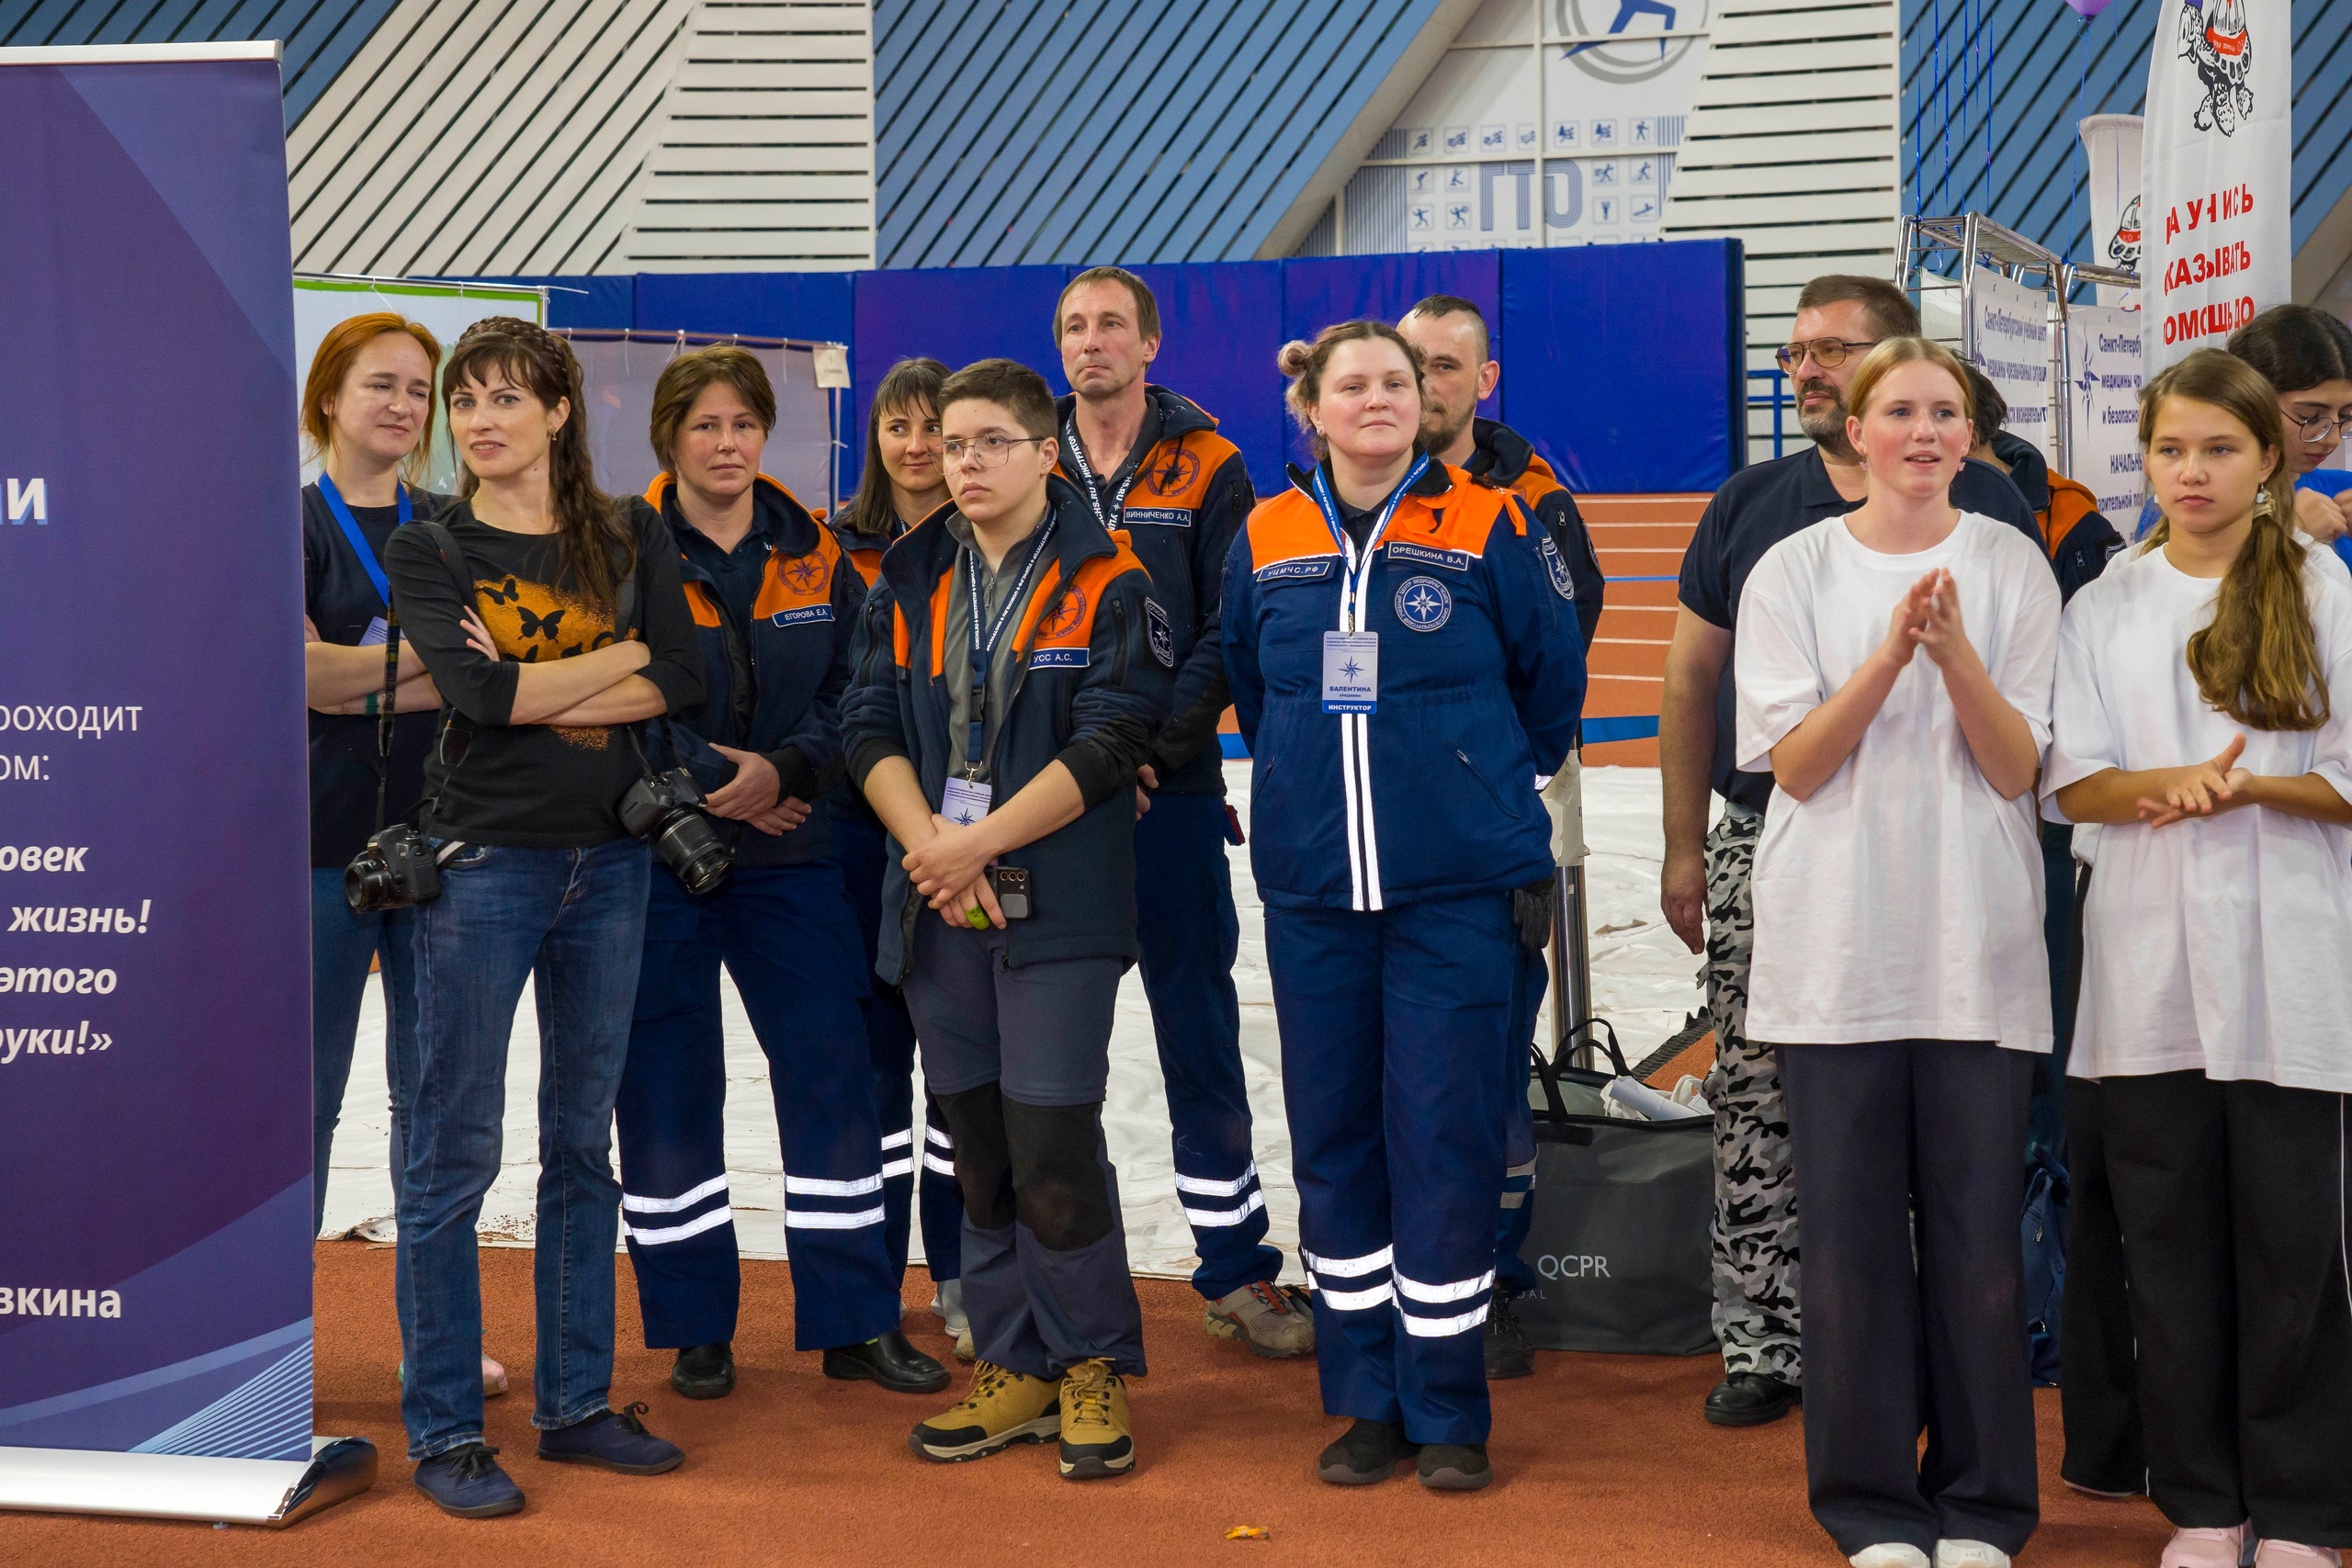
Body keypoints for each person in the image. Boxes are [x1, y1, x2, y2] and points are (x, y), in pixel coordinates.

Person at [1658, 274, 2048, 1428]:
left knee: (1944, 1155)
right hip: (1781, 845)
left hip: (1953, 879)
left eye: (1836, 349)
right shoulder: (1758, 516)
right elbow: (1691, 680)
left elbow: (2022, 754)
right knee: (1765, 1109)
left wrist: (1946, 657)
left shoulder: (2001, 531)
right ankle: (1768, 1341)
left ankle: (1942, 1365)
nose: (1810, 370)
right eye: (1798, 355)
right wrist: (1684, 845)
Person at [1224, 321, 1584, 1492]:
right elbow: (1247, 680)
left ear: (1428, 399)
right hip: (1315, 892)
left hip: (1456, 893)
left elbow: (1550, 681)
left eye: (1398, 380)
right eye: (1352, 386)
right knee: (1334, 1145)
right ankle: (1367, 1397)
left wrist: (1465, 782)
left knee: (1446, 1138)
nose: (1378, 399)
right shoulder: (1266, 534)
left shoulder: (1488, 519)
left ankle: (1448, 1404)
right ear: (1311, 410)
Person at [1736, 335, 2058, 1568]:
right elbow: (1801, 767)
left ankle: (1983, 1502)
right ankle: (1870, 1502)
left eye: (1947, 411)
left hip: (1973, 950)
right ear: (1857, 432)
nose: (1925, 431)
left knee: (1980, 1242)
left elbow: (2019, 767)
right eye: (1901, 410)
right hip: (1834, 955)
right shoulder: (1792, 568)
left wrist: (1955, 651)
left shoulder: (2011, 562)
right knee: (1852, 1249)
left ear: (1969, 435)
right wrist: (1886, 652)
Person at [384, 317, 704, 1517]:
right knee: (452, 1151)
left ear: (560, 411)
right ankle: (449, 1428)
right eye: (464, 400)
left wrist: (551, 682)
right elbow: (478, 694)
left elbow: (687, 677)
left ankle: (574, 1404)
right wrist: (609, 659)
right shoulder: (435, 547)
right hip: (482, 866)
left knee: (580, 1141)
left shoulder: (629, 531)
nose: (479, 419)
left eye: (507, 398)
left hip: (613, 863)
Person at [2046, 347, 2352, 1568]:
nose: (2190, 470)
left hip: (2291, 970)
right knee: (2165, 1248)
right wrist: (2168, 785)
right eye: (2170, 447)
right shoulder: (2106, 602)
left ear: (2266, 457)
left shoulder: (2322, 589)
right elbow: (2074, 782)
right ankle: (2208, 1502)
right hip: (2145, 976)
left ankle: (2304, 1508)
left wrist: (2245, 793)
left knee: (2294, 1250)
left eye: (2217, 448)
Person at [842, 358, 1171, 1481]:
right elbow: (866, 722)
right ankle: (1018, 1361)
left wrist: (972, 842)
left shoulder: (1108, 582)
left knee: (1052, 1148)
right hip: (941, 906)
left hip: (1056, 908)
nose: (962, 460)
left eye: (989, 441)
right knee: (976, 1148)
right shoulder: (910, 577)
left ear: (1046, 454)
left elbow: (1114, 739)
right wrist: (933, 848)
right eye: (952, 441)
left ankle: (1089, 1363)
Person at [613, 346, 946, 1403]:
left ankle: (855, 1321)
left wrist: (788, 771)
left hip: (794, 853)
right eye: (704, 425)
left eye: (742, 425)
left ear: (767, 436)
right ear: (669, 437)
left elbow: (860, 689)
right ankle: (695, 1325)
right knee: (667, 1092)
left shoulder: (819, 555)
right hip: (659, 860)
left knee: (834, 1081)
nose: (726, 444)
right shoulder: (623, 549)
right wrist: (720, 778)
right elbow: (618, 690)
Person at [1049, 267, 1308, 1358]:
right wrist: (1076, 763)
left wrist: (1149, 751)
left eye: (1112, 323)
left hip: (1173, 793)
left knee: (1197, 1037)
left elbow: (1229, 622)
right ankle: (1055, 1276)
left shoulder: (1211, 463)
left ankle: (1236, 1270)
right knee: (1053, 1051)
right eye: (1073, 326)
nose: (1091, 341)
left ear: (1150, 344)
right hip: (1049, 802)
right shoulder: (1028, 450)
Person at [297, 312, 511, 1403]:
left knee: (438, 1110)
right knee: (306, 1104)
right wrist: (436, 670)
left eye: (419, 391)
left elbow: (499, 670)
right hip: (317, 857)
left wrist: (361, 668)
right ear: (329, 397)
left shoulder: (454, 524)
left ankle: (437, 1337)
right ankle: (275, 1339)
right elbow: (299, 680)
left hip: (450, 851)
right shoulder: (288, 524)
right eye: (381, 385)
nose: (404, 406)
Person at [1397, 291, 1607, 1382]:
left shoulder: (1534, 500)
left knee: (1485, 1065)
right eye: (1408, 360)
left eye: (1445, 365)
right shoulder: (1347, 492)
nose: (1423, 382)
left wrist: (1496, 773)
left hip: (1504, 824)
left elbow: (1558, 657)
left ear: (1484, 381)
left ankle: (1496, 1279)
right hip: (1380, 839)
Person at [831, 356, 970, 1357]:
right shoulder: (836, 549)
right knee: (875, 1074)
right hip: (858, 839)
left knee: (961, 1079)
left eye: (935, 427)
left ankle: (965, 1275)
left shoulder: (995, 540)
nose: (916, 447)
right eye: (898, 426)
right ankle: (874, 1284)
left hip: (967, 841)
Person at [2133, 305, 2352, 570]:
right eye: (2310, 417)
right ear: (2249, 399)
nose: (2333, 439)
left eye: (2347, 416)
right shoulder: (2189, 501)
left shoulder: (2341, 490)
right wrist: (2289, 536)